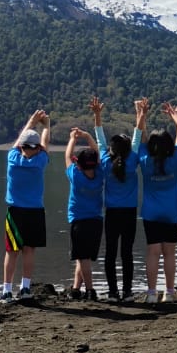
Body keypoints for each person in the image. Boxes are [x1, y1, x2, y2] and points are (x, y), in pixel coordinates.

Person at [90, 96, 143, 302]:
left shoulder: (104, 161)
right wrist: (141, 114)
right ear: (128, 148)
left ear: (111, 148)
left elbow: (100, 138)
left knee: (110, 253)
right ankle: (128, 292)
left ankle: (112, 292)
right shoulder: (133, 160)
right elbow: (138, 136)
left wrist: (97, 114)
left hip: (111, 213)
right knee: (127, 253)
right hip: (129, 213)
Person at [139, 101, 177, 305]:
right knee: (169, 253)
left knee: (153, 252)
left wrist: (141, 113)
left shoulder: (145, 160)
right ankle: (168, 291)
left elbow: (139, 134)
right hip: (172, 214)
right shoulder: (176, 158)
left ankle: (151, 293)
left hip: (150, 213)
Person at [1, 110, 50, 301]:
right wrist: (46, 125)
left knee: (12, 251)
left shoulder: (12, 159)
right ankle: (26, 288)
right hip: (35, 212)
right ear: (37, 148)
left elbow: (19, 143)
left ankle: (6, 290)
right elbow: (45, 144)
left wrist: (31, 121)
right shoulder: (40, 161)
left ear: (21, 146)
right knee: (29, 250)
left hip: (15, 212)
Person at [64, 127, 105, 301]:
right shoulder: (100, 174)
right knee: (83, 257)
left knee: (83, 258)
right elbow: (98, 153)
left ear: (78, 164)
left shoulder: (76, 174)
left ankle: (90, 290)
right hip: (96, 221)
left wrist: (73, 138)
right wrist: (88, 136)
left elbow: (67, 155)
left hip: (79, 221)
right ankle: (75, 289)